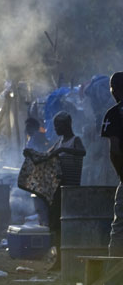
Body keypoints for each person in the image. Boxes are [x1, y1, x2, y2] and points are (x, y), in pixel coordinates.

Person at [43, 111, 86, 270]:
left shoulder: (75, 141)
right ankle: (60, 259)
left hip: (71, 191)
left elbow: (83, 152)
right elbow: (48, 155)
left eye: (57, 125)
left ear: (66, 125)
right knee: (57, 225)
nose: (55, 129)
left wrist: (63, 151)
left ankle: (66, 260)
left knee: (67, 226)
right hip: (59, 189)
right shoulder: (59, 142)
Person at [101, 72, 123, 285]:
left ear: (114, 90)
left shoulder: (115, 114)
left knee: (119, 236)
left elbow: (115, 150)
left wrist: (121, 175)